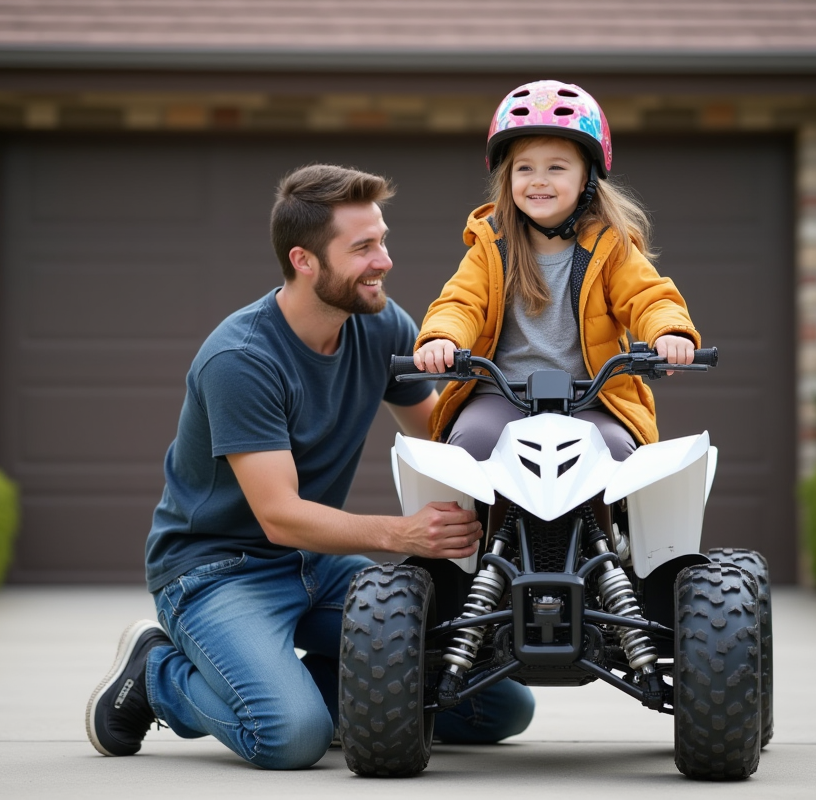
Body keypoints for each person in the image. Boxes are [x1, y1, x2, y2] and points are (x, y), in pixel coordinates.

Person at [86, 164, 534, 769]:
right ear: (304, 260)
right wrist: (401, 534)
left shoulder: (378, 326)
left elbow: (439, 440)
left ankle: (304, 683)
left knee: (494, 702)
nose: (385, 260)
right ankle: (158, 672)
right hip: (217, 572)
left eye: (382, 240)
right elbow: (279, 516)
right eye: (363, 248)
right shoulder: (242, 359)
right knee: (291, 736)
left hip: (315, 566)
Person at [414, 80, 700, 458]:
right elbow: (461, 303)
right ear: (508, 177)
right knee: (469, 444)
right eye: (525, 167)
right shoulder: (490, 246)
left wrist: (669, 332)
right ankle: (460, 521)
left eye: (556, 167)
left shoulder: (610, 247)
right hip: (500, 395)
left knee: (617, 452)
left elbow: (648, 296)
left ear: (587, 178)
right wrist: (443, 339)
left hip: (592, 398)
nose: (538, 180)